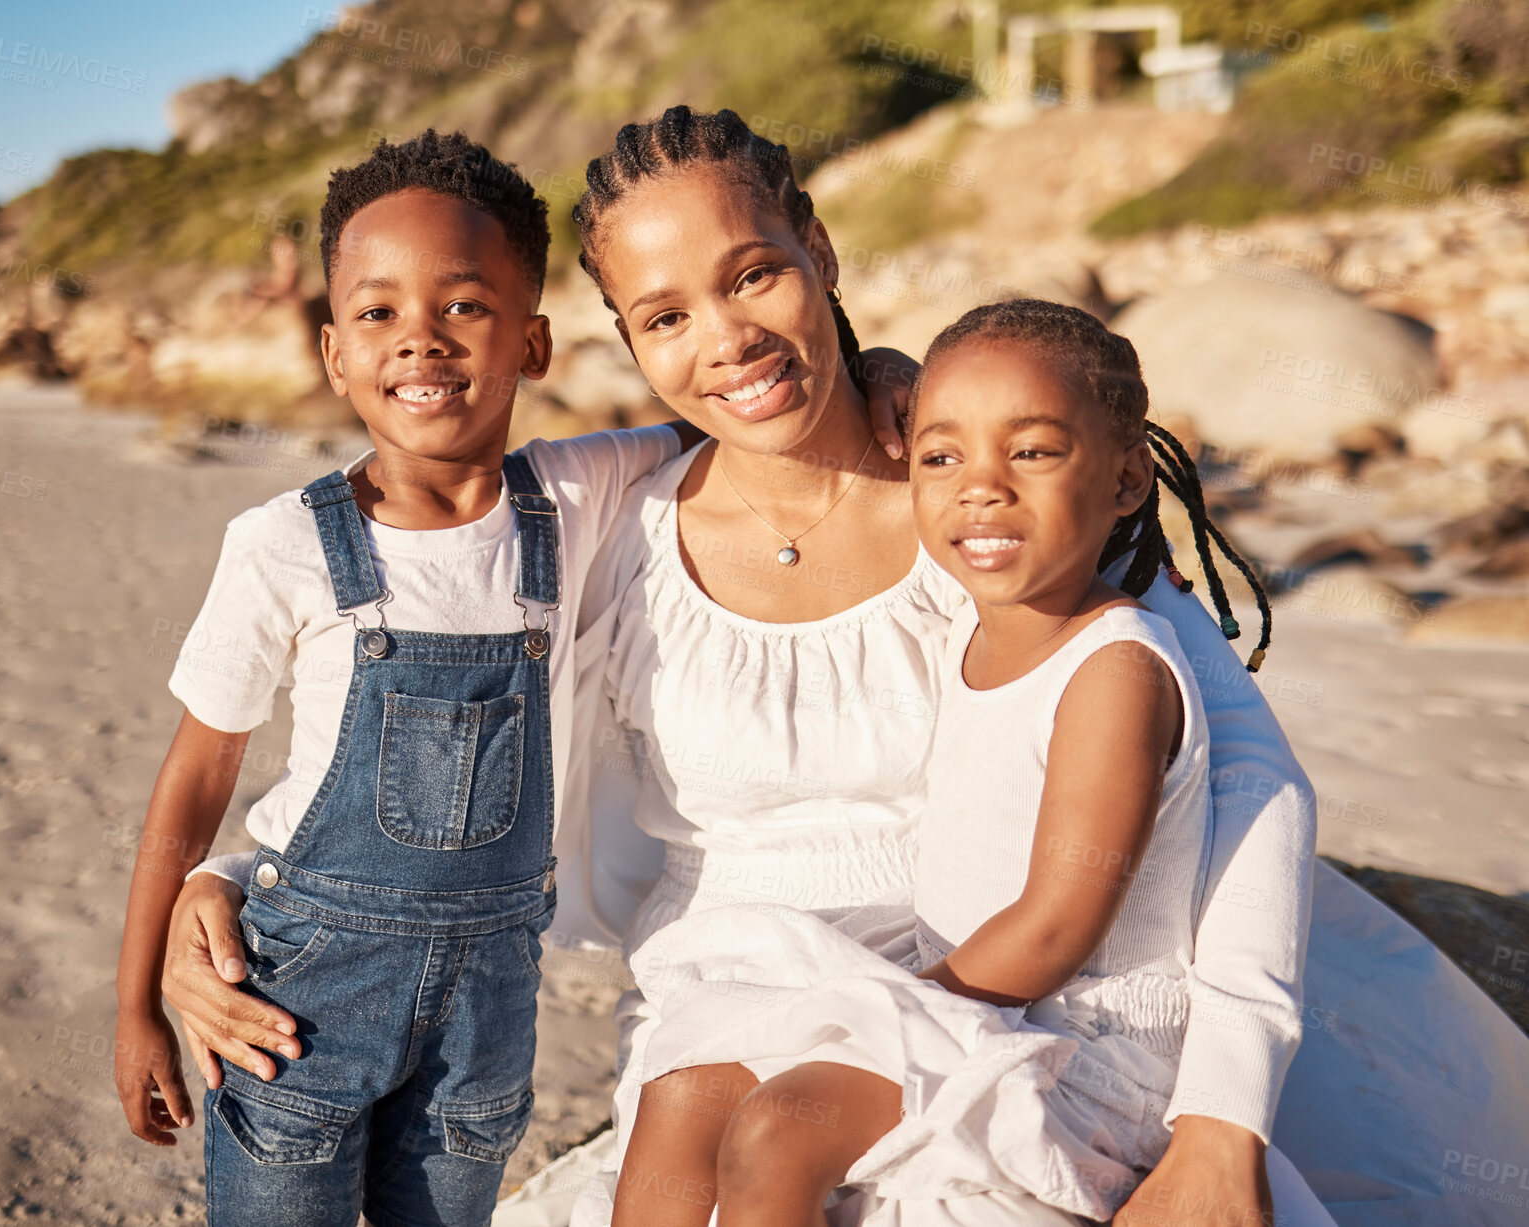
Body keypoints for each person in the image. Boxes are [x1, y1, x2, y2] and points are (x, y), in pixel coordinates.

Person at [163, 108, 1332, 1224]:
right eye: (664, 317)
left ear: (817, 249)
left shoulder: (986, 503)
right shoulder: (603, 521)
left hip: (992, 990)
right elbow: (417, 686)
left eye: (754, 275)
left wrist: (1223, 1122)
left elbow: (1243, 774)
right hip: (719, 1000)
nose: (725, 341)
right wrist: (231, 883)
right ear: (621, 339)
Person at [610, 298, 1337, 1226]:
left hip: (1077, 1039)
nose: (981, 488)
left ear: (1124, 482)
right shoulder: (967, 628)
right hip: (975, 991)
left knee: (778, 1130)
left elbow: (1057, 924)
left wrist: (879, 1017)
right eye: (942, 458)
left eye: (1031, 453)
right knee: (683, 1095)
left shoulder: (1114, 665)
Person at [112, 128, 696, 1227]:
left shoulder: (582, 493)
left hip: (487, 1018)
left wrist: (885, 379)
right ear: (334, 353)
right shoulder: (282, 542)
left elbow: (732, 420)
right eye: (378, 313)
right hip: (297, 1003)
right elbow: (195, 776)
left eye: (463, 308)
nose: (420, 341)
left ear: (534, 343)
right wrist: (136, 995)